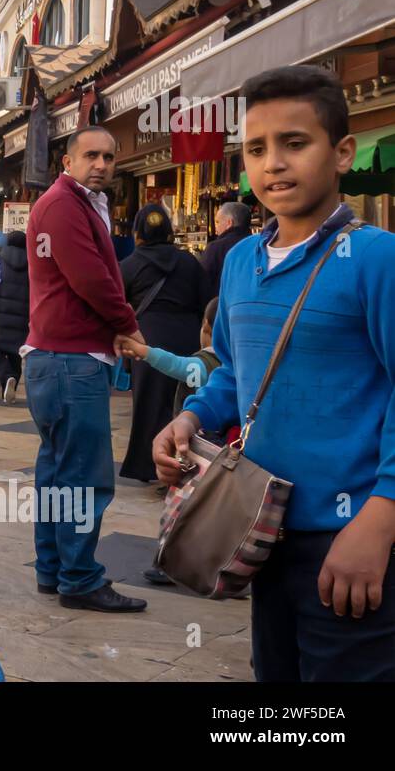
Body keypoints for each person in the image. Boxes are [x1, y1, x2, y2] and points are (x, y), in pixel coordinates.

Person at [154, 65, 395, 681]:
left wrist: (379, 520)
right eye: (257, 149)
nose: (274, 165)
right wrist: (192, 416)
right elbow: (235, 371)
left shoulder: (375, 259)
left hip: (349, 533)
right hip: (261, 527)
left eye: (295, 143)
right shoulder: (239, 262)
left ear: (342, 152)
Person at [24, 126, 147, 613]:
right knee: (82, 476)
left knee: (58, 472)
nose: (100, 164)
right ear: (67, 162)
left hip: (60, 358)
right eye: (90, 155)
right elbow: (91, 279)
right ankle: (78, 577)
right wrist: (128, 325)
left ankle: (55, 570)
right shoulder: (62, 205)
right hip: (69, 360)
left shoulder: (76, 203)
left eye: (109, 157)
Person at [122, 296, 221, 587]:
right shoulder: (242, 361)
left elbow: (179, 366)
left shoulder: (210, 362)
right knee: (214, 511)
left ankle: (170, 562)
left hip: (200, 449)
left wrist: (145, 352)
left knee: (180, 506)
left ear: (206, 327)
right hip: (226, 451)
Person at [117, 204, 210, 483]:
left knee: (149, 404)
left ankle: (149, 466)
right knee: (185, 403)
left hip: (147, 341)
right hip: (187, 337)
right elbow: (205, 301)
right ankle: (188, 464)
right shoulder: (189, 262)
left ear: (138, 233)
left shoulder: (129, 264)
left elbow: (118, 306)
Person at [0, 230, 30, 406]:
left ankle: (6, 377)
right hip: (23, 314)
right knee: (16, 350)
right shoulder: (32, 262)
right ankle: (13, 382)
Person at [200, 201, 253, 296]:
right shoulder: (259, 244)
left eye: (218, 222)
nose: (216, 227)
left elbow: (202, 281)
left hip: (220, 304)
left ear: (229, 223)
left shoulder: (215, 248)